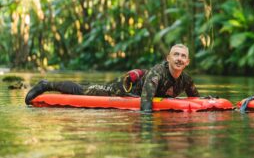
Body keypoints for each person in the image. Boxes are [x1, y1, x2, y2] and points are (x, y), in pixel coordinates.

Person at [25, 44, 199, 112]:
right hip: (126, 88)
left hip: (138, 86)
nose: (179, 58)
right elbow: (146, 105)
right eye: (175, 54)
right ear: (168, 58)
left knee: (87, 88)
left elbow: (196, 99)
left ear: (187, 62)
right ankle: (47, 84)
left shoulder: (186, 80)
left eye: (183, 56)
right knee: (85, 90)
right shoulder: (157, 73)